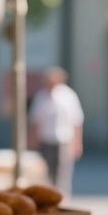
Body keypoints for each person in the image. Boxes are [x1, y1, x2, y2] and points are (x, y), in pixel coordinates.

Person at [28, 66, 85, 198]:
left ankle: (62, 196)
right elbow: (35, 120)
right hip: (45, 139)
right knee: (45, 171)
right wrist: (32, 139)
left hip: (64, 139)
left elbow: (76, 121)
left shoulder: (68, 96)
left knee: (62, 171)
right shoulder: (41, 96)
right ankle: (48, 196)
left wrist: (77, 142)